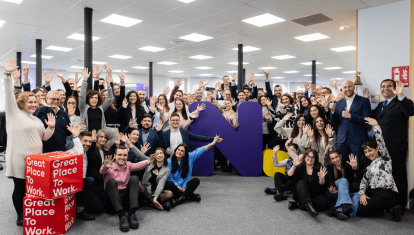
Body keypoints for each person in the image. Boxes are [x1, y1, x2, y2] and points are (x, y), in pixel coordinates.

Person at [3, 57, 56, 226]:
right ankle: (20, 215)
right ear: (21, 103)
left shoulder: (36, 120)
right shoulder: (14, 114)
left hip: (36, 160)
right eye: (29, 102)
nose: (33, 104)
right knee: (20, 187)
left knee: (31, 189)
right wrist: (8, 75)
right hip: (19, 159)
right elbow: (8, 94)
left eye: (35, 102)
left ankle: (30, 210)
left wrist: (51, 128)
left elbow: (43, 138)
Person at [367, 80, 414, 213]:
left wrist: (401, 96)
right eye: (382, 86)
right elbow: (370, 117)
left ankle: (400, 206)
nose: (385, 88)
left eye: (389, 86)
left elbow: (411, 111)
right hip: (380, 148)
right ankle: (388, 204)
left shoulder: (402, 102)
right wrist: (365, 101)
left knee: (398, 176)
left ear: (394, 89)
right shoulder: (381, 105)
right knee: (385, 176)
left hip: (396, 147)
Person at [100, 146, 155, 232]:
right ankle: (122, 216)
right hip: (111, 203)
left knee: (134, 178)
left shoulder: (128, 165)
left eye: (125, 155)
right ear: (115, 155)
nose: (122, 157)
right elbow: (101, 171)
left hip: (124, 200)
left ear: (127, 156)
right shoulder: (109, 166)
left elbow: (138, 165)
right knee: (111, 181)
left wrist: (148, 161)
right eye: (120, 155)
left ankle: (132, 214)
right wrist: (105, 167)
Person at [357, 117, 402, 222]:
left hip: (387, 194)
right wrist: (362, 194)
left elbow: (381, 142)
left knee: (361, 210)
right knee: (360, 210)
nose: (368, 153)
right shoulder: (369, 166)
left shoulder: (385, 158)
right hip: (375, 193)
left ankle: (391, 208)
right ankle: (387, 210)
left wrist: (376, 126)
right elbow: (363, 181)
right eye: (366, 152)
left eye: (370, 150)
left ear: (377, 149)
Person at [164, 136, 220, 206]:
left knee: (196, 180)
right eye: (178, 150)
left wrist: (212, 143)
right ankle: (190, 196)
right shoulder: (169, 161)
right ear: (176, 150)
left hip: (184, 184)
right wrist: (181, 189)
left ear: (185, 154)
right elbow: (170, 178)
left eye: (182, 151)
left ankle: (179, 199)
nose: (179, 152)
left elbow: (200, 150)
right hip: (175, 186)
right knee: (168, 184)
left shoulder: (190, 157)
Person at [329, 80, 371, 169]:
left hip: (358, 139)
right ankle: (346, 182)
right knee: (342, 165)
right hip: (342, 140)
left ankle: (359, 183)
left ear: (354, 87)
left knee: (358, 165)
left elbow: (367, 119)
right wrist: (332, 112)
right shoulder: (339, 103)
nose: (347, 89)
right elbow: (335, 122)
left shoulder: (364, 101)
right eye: (344, 87)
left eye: (349, 86)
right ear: (342, 89)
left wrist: (351, 116)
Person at [287, 149, 330, 217]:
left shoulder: (320, 168)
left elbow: (322, 185)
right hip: (301, 194)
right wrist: (294, 166)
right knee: (301, 182)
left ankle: (299, 204)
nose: (310, 159)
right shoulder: (300, 167)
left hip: (314, 194)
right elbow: (289, 176)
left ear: (315, 159)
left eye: (313, 157)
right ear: (305, 156)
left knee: (326, 202)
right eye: (309, 156)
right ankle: (309, 205)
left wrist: (321, 178)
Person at [325, 150, 359, 220]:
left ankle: (338, 211)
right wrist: (332, 187)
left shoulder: (346, 165)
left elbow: (353, 170)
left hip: (345, 194)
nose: (335, 160)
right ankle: (344, 206)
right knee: (343, 180)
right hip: (333, 192)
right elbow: (330, 179)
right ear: (330, 160)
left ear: (340, 156)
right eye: (333, 158)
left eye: (336, 157)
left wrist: (355, 167)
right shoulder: (329, 167)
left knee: (358, 195)